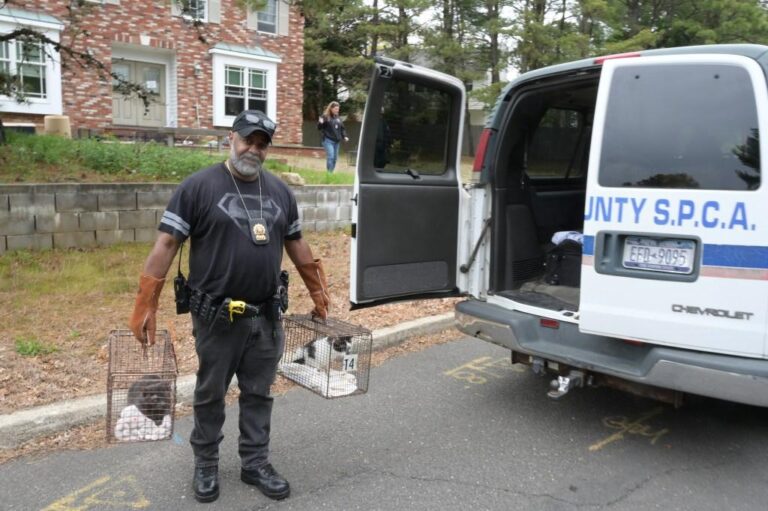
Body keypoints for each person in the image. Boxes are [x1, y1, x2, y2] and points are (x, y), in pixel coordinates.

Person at [129, 110, 331, 504]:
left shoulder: (280, 192)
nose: (253, 148)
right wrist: (145, 302)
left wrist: (318, 291)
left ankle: (255, 463)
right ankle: (205, 463)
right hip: (217, 318)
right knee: (211, 394)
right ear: (231, 139)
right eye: (247, 140)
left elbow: (296, 243)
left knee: (259, 392)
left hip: (266, 315)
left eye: (261, 143)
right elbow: (167, 244)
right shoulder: (198, 187)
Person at [317, 101, 349, 172]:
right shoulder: (325, 116)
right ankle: (329, 173)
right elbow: (319, 128)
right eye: (335, 109)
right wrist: (320, 123)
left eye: (338, 109)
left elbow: (342, 128)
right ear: (331, 108)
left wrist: (344, 136)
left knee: (335, 158)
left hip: (337, 141)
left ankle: (331, 172)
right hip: (328, 140)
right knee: (331, 156)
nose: (337, 110)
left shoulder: (338, 118)